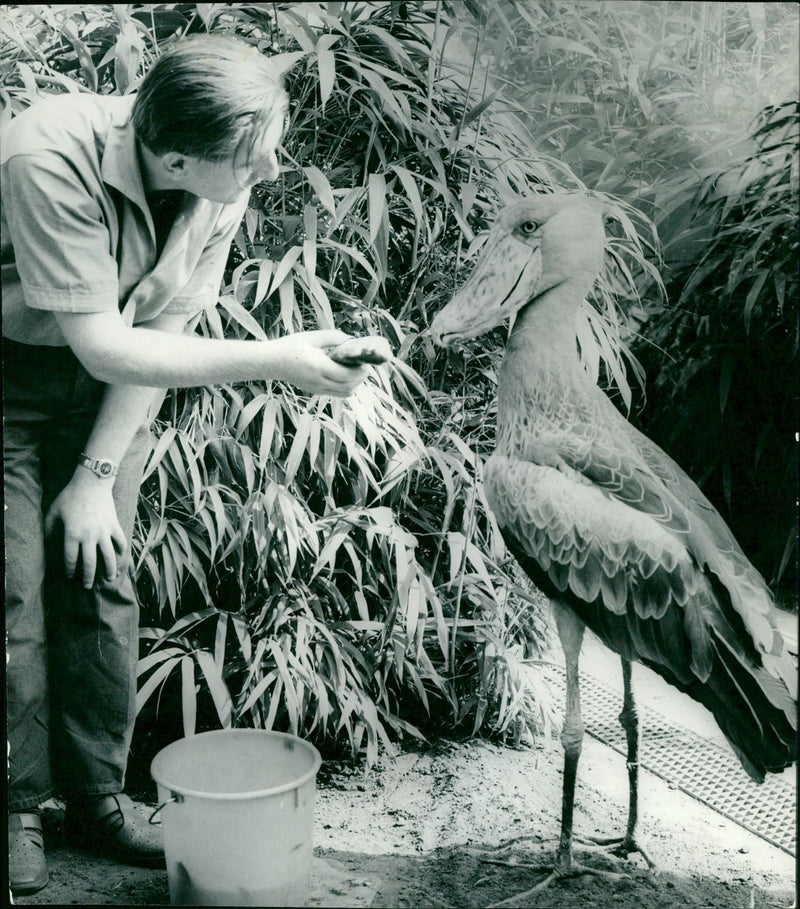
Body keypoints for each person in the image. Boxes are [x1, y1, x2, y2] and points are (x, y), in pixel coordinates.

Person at [2, 33, 368, 896]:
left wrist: (95, 478)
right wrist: (275, 357)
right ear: (174, 156)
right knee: (12, 585)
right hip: (9, 370)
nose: (272, 169)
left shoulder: (217, 184)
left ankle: (94, 794)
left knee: (102, 571)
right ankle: (15, 803)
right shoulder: (44, 156)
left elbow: (162, 333)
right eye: (252, 158)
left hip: (112, 380)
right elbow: (102, 344)